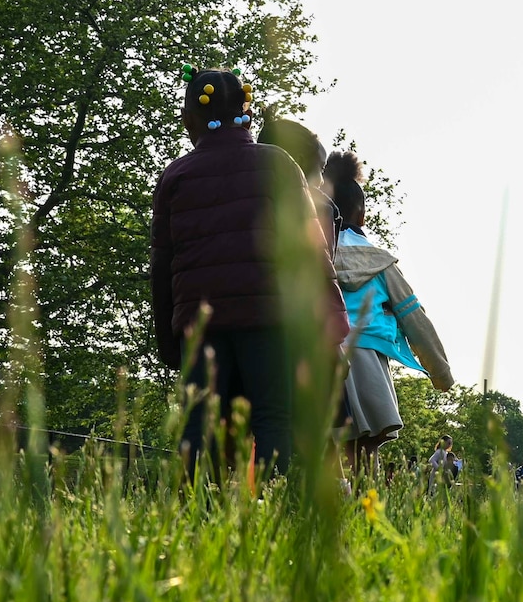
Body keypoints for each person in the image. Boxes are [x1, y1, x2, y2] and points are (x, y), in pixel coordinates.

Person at [152, 65, 336, 477]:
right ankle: (280, 514)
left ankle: (199, 517)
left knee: (199, 425)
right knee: (274, 419)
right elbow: (311, 247)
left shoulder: (175, 176)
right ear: (246, 111)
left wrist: (168, 339)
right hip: (269, 320)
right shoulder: (279, 165)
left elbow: (161, 265)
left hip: (200, 326)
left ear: (188, 119)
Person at [332, 177, 454, 469]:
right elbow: (413, 316)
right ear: (362, 214)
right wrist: (440, 373)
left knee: (327, 445)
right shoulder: (381, 263)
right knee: (367, 445)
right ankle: (365, 511)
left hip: (322, 350)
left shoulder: (315, 253)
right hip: (369, 355)